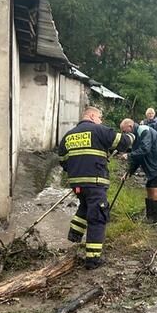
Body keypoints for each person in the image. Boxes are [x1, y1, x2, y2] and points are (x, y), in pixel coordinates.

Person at [57, 106, 133, 269]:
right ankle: (93, 260)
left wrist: (76, 170)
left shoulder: (68, 136)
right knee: (98, 216)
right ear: (92, 116)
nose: (101, 121)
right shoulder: (99, 130)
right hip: (95, 182)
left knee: (85, 206)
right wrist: (133, 135)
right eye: (100, 117)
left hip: (77, 184)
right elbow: (123, 143)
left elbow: (63, 161)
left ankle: (74, 235)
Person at [119, 118, 157, 224]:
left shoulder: (143, 130)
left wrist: (129, 155)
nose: (123, 134)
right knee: (149, 187)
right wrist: (128, 173)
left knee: (154, 188)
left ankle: (154, 219)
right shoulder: (135, 138)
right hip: (156, 165)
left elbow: (145, 149)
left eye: (124, 131)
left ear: (130, 127)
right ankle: (150, 216)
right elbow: (137, 158)